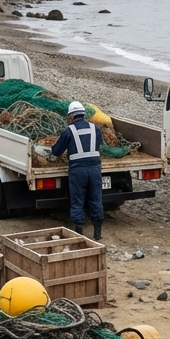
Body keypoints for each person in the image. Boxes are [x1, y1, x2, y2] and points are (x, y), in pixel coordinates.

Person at [36, 101, 105, 241]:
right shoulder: (95, 128)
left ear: (71, 116)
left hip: (78, 170)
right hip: (94, 169)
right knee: (96, 199)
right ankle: (97, 233)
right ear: (83, 114)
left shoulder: (69, 131)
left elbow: (56, 151)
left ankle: (79, 231)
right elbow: (98, 144)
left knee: (77, 201)